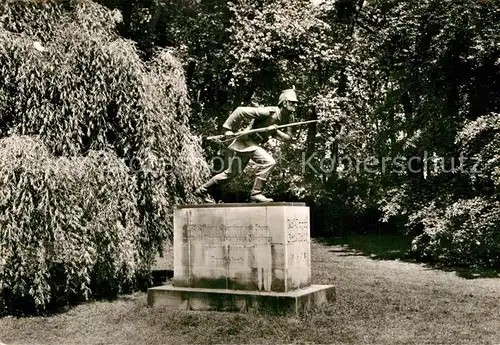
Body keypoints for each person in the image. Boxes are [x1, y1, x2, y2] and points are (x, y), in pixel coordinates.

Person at [195, 88, 299, 203]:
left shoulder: (290, 118)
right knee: (270, 162)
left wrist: (275, 131)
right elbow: (240, 111)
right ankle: (256, 193)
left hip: (253, 144)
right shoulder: (269, 112)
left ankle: (202, 190)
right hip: (247, 141)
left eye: (296, 103)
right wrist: (227, 130)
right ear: (284, 103)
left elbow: (288, 138)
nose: (295, 105)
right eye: (292, 102)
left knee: (231, 173)